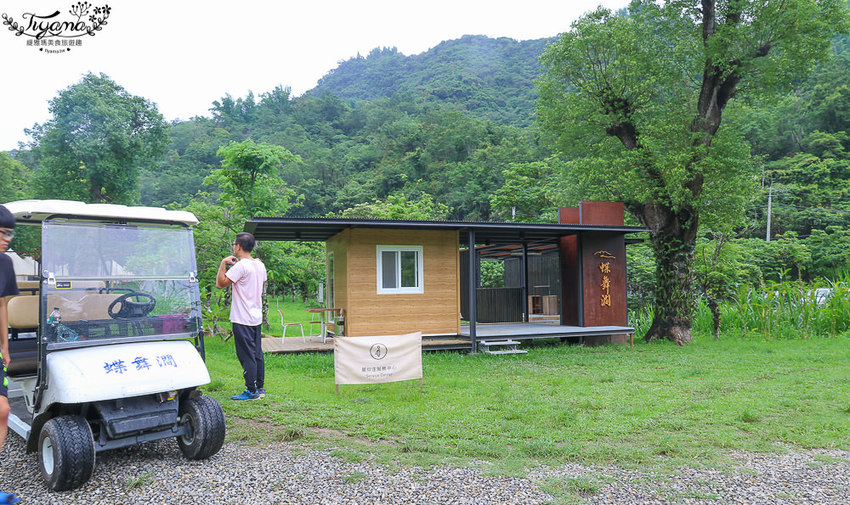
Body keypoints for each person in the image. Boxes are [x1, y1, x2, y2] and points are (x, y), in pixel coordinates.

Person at [216, 232, 267, 401]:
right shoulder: (260, 265)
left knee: (247, 355)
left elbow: (220, 284)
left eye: (234, 245)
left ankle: (251, 390)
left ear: (238, 246)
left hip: (242, 318)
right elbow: (262, 282)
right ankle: (260, 387)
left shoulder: (241, 266)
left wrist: (223, 263)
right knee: (257, 353)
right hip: (256, 317)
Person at [0, 205, 21, 504]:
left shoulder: (4, 263)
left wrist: (5, 347)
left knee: (3, 411)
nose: (7, 239)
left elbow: (1, 305)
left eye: (9, 234)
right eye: (3, 233)